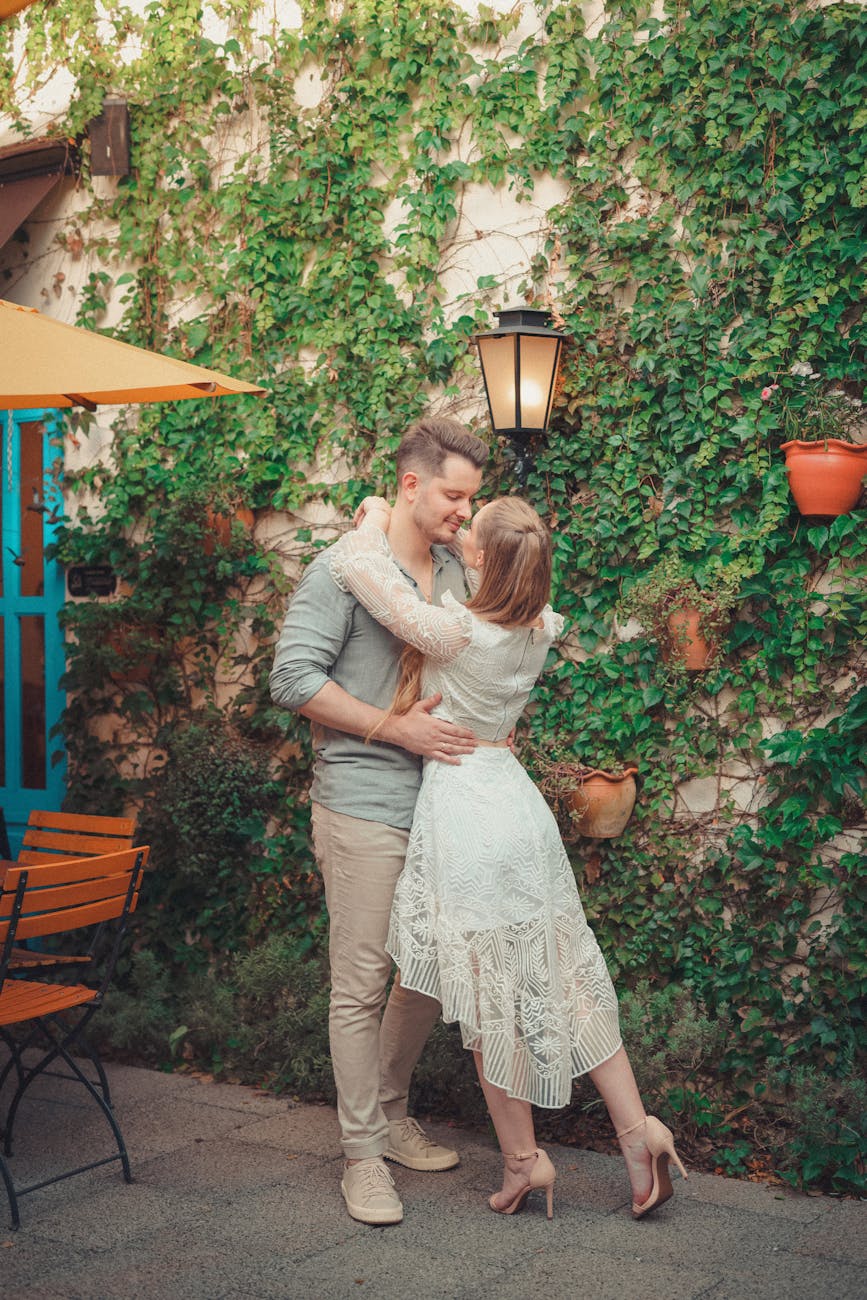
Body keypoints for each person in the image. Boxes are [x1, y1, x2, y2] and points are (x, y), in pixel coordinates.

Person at [326, 493, 688, 1220]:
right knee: (569, 975)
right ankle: (638, 1132)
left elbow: (363, 573)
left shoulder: (456, 631)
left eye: (474, 527)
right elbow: (502, 586)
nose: (462, 528)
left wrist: (371, 518)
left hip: (466, 815)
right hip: (520, 813)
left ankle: (524, 1160)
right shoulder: (542, 626)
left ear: (486, 559)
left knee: (488, 994)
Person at [269, 417, 489, 1226]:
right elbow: (292, 679)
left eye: (471, 498)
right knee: (361, 985)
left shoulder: (452, 568)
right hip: (362, 800)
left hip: (445, 802)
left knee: (425, 971)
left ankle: (391, 1116)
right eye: (453, 496)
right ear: (409, 484)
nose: (463, 511)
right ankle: (361, 1157)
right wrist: (393, 729)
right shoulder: (342, 568)